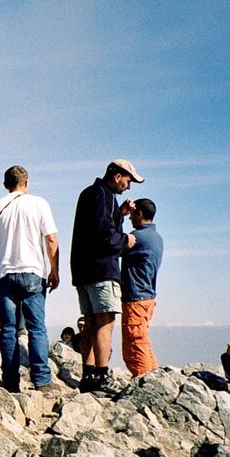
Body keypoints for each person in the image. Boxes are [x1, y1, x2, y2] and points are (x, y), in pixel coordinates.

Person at [0, 166, 62, 393]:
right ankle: (42, 381)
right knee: (36, 329)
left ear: (5, 184)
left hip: (5, 274)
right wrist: (54, 269)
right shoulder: (39, 203)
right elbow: (51, 240)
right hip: (33, 272)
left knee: (8, 330)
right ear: (27, 183)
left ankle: (10, 382)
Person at [70, 159, 142, 394]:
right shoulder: (104, 196)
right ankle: (101, 376)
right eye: (128, 181)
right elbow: (104, 237)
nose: (129, 187)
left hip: (83, 269)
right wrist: (126, 240)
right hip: (102, 270)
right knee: (105, 322)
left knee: (90, 322)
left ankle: (88, 375)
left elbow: (96, 228)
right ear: (116, 176)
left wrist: (119, 215)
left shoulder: (90, 193)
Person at [120, 198, 164, 377]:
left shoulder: (137, 237)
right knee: (142, 340)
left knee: (135, 344)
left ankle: (143, 382)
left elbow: (111, 244)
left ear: (139, 214)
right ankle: (155, 377)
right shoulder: (156, 237)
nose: (130, 219)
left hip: (135, 297)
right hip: (147, 297)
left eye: (131, 215)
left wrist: (118, 216)